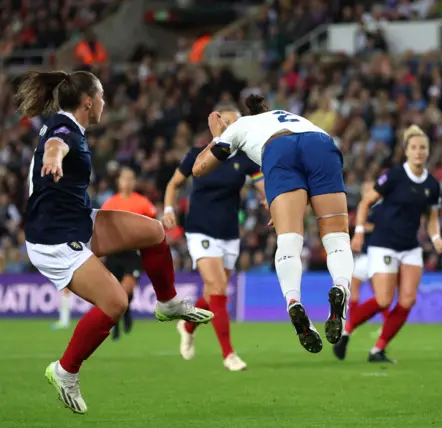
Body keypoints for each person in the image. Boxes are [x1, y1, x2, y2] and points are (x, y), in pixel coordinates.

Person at [17, 70, 213, 415]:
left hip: (76, 222)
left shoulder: (65, 124)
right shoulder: (65, 132)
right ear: (89, 102)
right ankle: (65, 371)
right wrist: (52, 157)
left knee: (154, 231)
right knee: (116, 303)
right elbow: (55, 145)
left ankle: (167, 303)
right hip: (53, 239)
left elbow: (57, 140)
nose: (105, 103)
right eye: (103, 97)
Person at [192, 95, 353, 354]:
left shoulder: (238, 127)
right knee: (336, 237)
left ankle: (293, 301)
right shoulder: (285, 115)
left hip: (279, 150)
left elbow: (199, 168)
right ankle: (341, 286)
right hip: (321, 143)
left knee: (289, 240)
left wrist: (216, 136)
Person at [333, 125, 442, 363]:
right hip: (384, 244)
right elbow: (365, 202)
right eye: (414, 147)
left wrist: (436, 238)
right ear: (406, 151)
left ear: (428, 152)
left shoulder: (432, 185)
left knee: (407, 300)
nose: (418, 152)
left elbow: (432, 218)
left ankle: (378, 348)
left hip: (410, 247)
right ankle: (347, 328)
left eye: (423, 148)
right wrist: (360, 233)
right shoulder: (394, 176)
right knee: (384, 300)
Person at [163, 109, 265, 371]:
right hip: (200, 230)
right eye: (228, 123)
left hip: (230, 232)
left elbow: (261, 185)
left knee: (212, 292)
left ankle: (187, 325)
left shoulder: (245, 159)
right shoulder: (199, 154)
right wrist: (168, 209)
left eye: (236, 123)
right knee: (218, 289)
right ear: (217, 124)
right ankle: (228, 354)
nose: (233, 127)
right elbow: (174, 183)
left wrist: (271, 204)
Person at [101, 167, 158, 341]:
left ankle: (122, 317)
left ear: (133, 182)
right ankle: (121, 318)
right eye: (123, 179)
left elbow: (154, 223)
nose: (126, 182)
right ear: (119, 182)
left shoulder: (142, 203)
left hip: (133, 254)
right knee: (114, 292)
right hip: (114, 252)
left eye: (129, 179)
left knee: (125, 289)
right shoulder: (111, 203)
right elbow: (102, 225)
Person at [348, 182, 389, 329]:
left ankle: (352, 323)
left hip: (374, 255)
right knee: (356, 287)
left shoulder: (380, 208)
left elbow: (381, 227)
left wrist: (361, 226)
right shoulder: (366, 208)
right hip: (366, 255)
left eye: (368, 189)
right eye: (364, 189)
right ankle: (352, 322)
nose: (365, 192)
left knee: (380, 295)